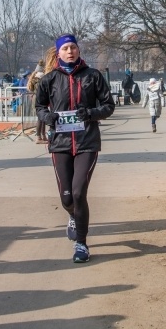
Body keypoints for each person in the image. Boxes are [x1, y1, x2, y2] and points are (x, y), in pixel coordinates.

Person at [36, 34, 115, 263]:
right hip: (60, 144)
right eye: (65, 48)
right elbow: (39, 105)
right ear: (58, 53)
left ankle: (81, 243)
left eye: (73, 47)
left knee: (79, 192)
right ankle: (72, 214)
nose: (70, 51)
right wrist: (47, 116)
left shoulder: (93, 76)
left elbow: (108, 106)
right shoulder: (49, 80)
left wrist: (90, 113)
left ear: (78, 51)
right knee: (67, 197)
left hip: (86, 142)